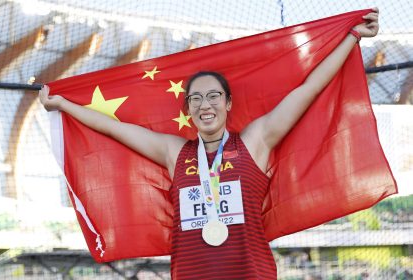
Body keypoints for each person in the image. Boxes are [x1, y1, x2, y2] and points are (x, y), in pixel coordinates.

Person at [39, 8, 379, 280]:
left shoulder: (256, 141)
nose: (206, 105)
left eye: (214, 96)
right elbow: (114, 129)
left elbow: (308, 90)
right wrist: (64, 105)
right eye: (196, 99)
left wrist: (351, 37)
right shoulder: (174, 152)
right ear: (188, 109)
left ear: (228, 103)